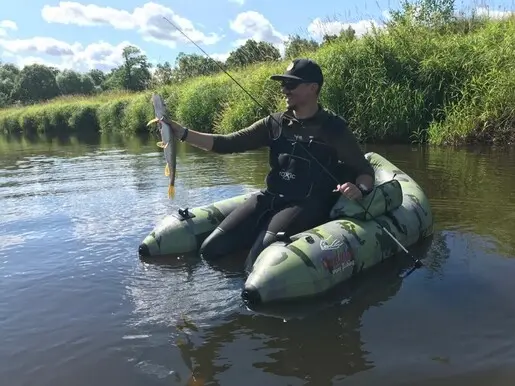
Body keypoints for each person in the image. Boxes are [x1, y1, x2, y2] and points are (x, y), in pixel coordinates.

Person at [159, 58, 375, 264]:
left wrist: (360, 189)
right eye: (283, 84)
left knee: (257, 259)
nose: (284, 90)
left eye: (291, 84)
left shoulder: (334, 128)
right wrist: (183, 133)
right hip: (269, 197)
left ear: (313, 88)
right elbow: (227, 143)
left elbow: (364, 170)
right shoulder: (274, 123)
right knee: (210, 249)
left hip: (306, 204)